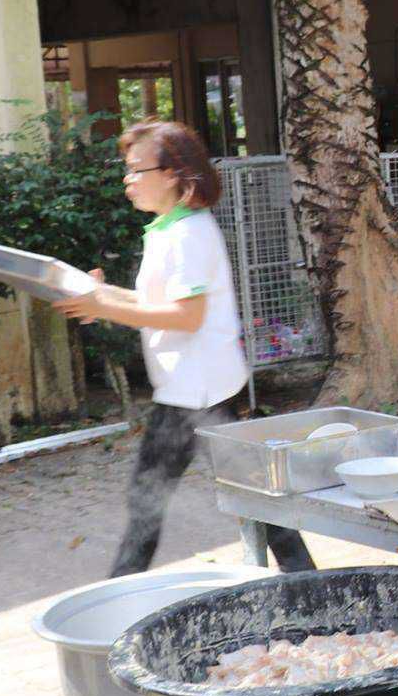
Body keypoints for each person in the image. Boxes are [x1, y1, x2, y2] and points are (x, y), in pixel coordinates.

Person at [55, 121, 316, 578]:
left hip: (194, 394)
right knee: (254, 497)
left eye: (137, 169)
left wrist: (104, 306)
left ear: (172, 173)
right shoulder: (168, 229)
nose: (127, 179)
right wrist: (101, 297)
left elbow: (186, 317)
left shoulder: (188, 233)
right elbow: (158, 303)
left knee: (149, 502)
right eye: (126, 169)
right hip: (198, 387)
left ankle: (120, 596)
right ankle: (308, 583)